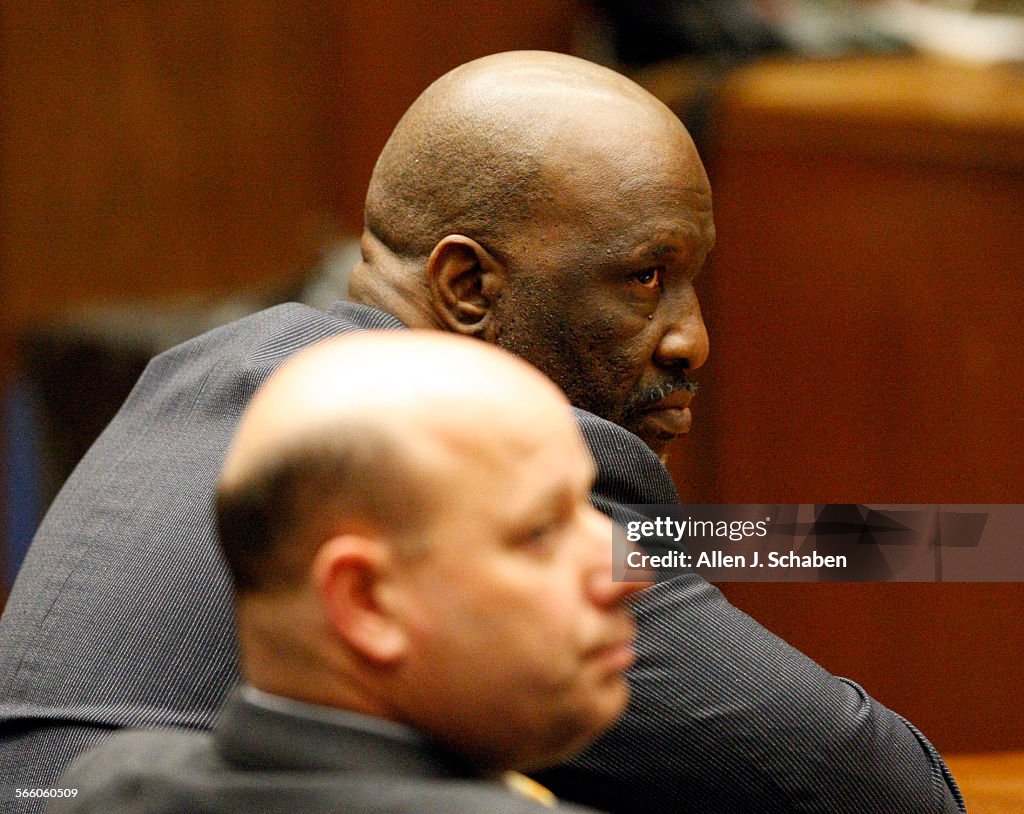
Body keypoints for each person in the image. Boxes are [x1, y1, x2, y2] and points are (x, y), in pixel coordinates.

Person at [0, 51, 962, 814]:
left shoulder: (217, 369)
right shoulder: (461, 457)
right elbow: (872, 787)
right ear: (467, 289)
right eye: (640, 279)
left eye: (693, 279)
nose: (693, 340)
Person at [46, 332, 641, 813]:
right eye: (540, 531)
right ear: (366, 602)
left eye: (590, 504)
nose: (629, 568)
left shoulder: (102, 788)